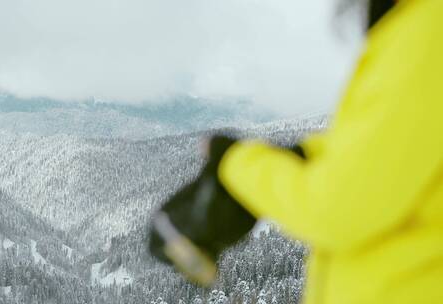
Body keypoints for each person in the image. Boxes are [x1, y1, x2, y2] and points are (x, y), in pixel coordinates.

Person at [149, 0, 443, 303]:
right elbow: (384, 146)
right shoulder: (411, 28)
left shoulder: (428, 34)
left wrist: (234, 163)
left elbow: (338, 208)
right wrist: (298, 158)